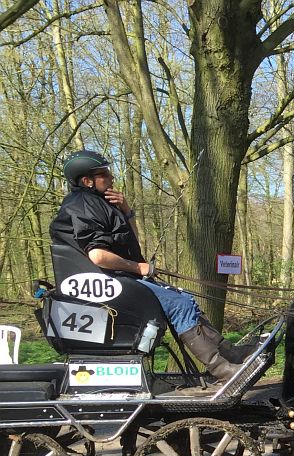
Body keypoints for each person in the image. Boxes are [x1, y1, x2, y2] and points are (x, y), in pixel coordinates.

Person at [49, 149, 253, 385]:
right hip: (111, 280)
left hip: (120, 277)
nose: (111, 177)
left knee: (184, 298)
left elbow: (130, 240)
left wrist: (127, 211)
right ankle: (223, 369)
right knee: (179, 304)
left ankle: (229, 354)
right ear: (87, 181)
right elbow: (98, 256)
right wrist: (138, 268)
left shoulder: (97, 203)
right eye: (104, 173)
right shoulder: (84, 205)